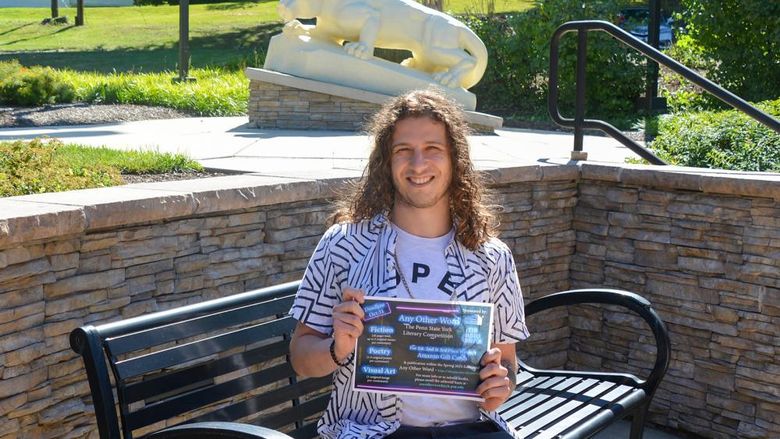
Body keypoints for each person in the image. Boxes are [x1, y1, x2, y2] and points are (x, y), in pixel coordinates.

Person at [288, 89, 529, 439]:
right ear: (387, 161)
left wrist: (499, 385)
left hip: (469, 430)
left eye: (432, 149)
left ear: (455, 159)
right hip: (372, 431)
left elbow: (508, 363)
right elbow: (300, 357)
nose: (418, 165)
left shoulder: (492, 258)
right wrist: (337, 348)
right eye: (404, 151)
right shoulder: (344, 245)